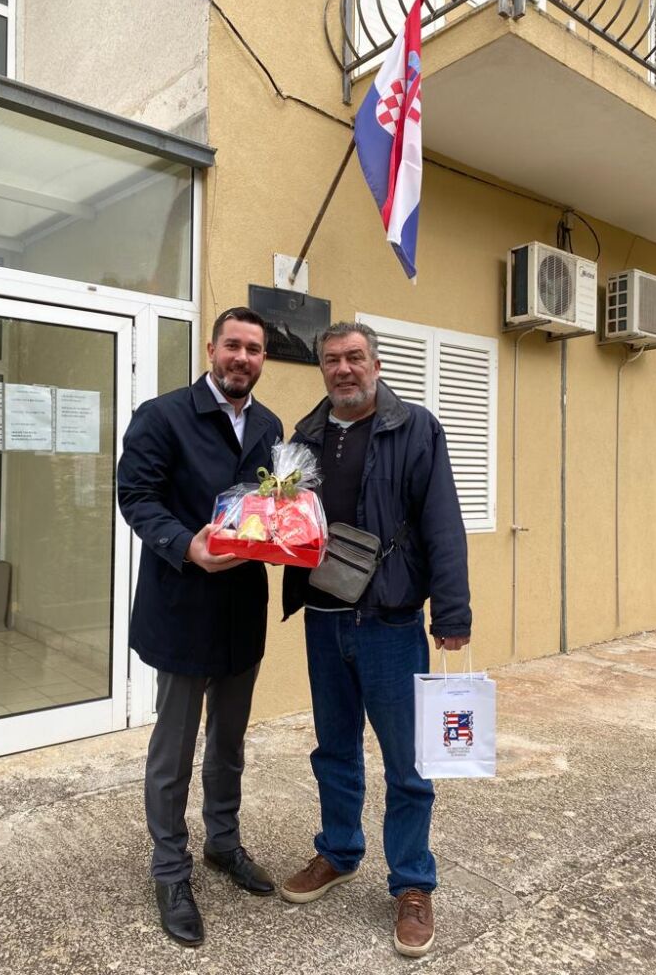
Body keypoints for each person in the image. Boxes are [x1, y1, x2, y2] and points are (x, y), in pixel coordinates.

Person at [280, 321, 471, 958]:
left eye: (355, 357)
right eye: (332, 360)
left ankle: (413, 883)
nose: (344, 369)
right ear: (323, 369)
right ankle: (338, 852)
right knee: (334, 749)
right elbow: (290, 522)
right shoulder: (303, 438)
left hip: (390, 622)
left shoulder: (415, 428)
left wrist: (452, 612)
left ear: (376, 364)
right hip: (323, 616)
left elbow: (443, 522)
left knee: (407, 762)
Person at [117, 307, 283, 948]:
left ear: (263, 359)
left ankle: (223, 843)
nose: (243, 358)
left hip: (242, 613)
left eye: (254, 349)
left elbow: (273, 507)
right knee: (174, 751)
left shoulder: (269, 426)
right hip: (182, 608)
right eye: (233, 345)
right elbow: (137, 496)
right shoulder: (162, 417)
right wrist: (187, 545)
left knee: (230, 744)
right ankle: (170, 871)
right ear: (211, 349)